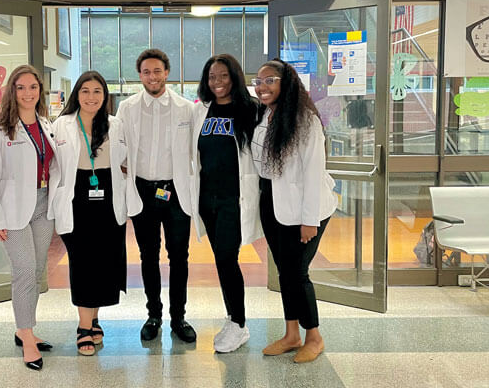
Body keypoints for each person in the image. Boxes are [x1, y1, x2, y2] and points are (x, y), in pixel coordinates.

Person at [251, 58, 337, 363]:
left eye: (270, 80)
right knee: (285, 272)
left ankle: (314, 336)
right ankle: (291, 335)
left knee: (298, 273)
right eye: (259, 81)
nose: (262, 86)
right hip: (273, 204)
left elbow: (314, 173)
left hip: (305, 210)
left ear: (287, 83)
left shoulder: (305, 121)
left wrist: (309, 221)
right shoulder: (267, 116)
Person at [0, 64, 60, 371]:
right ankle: (27, 338)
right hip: (12, 211)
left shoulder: (46, 124)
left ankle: (24, 328)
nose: (28, 93)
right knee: (24, 270)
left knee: (37, 269)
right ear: (11, 91)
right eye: (21, 87)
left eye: (33, 87)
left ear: (41, 91)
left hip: (42, 205)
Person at [116, 48, 196, 343]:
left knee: (180, 256)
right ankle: (154, 314)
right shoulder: (127, 108)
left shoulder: (186, 108)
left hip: (176, 192)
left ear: (167, 73)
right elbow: (119, 145)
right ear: (140, 75)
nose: (152, 76)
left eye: (157, 71)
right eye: (147, 72)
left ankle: (179, 317)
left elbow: (193, 152)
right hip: (142, 190)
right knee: (148, 255)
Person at [52, 71, 127, 356]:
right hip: (76, 195)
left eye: (97, 91)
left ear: (105, 96)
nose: (91, 97)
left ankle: (94, 318)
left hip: (108, 195)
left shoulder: (115, 124)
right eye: (85, 91)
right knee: (82, 261)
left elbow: (125, 159)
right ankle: (84, 327)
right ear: (77, 94)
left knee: (105, 260)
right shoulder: (62, 125)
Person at [191, 54, 260, 353]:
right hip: (208, 199)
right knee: (221, 260)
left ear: (234, 77)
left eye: (223, 76)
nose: (217, 82)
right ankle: (233, 316)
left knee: (227, 260)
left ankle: (240, 324)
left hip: (235, 198)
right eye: (211, 77)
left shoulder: (251, 110)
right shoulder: (201, 111)